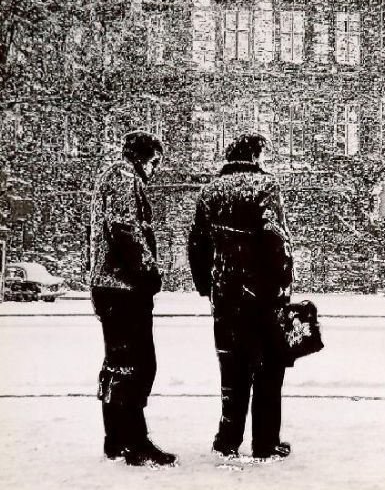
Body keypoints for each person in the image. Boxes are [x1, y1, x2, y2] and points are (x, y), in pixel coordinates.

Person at [188, 133, 294, 460]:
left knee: (232, 368)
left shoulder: (210, 191)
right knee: (268, 369)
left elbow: (197, 244)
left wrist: (207, 285)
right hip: (263, 294)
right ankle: (265, 442)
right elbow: (275, 238)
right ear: (256, 156)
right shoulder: (265, 186)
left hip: (226, 293)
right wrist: (283, 282)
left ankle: (227, 440)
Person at [90, 130, 177, 467]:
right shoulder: (125, 179)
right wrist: (148, 271)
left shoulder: (110, 177)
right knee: (138, 364)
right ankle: (134, 441)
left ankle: (116, 438)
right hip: (124, 287)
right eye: (155, 161)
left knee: (117, 364)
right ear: (143, 157)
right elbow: (125, 229)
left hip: (108, 285)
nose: (155, 169)